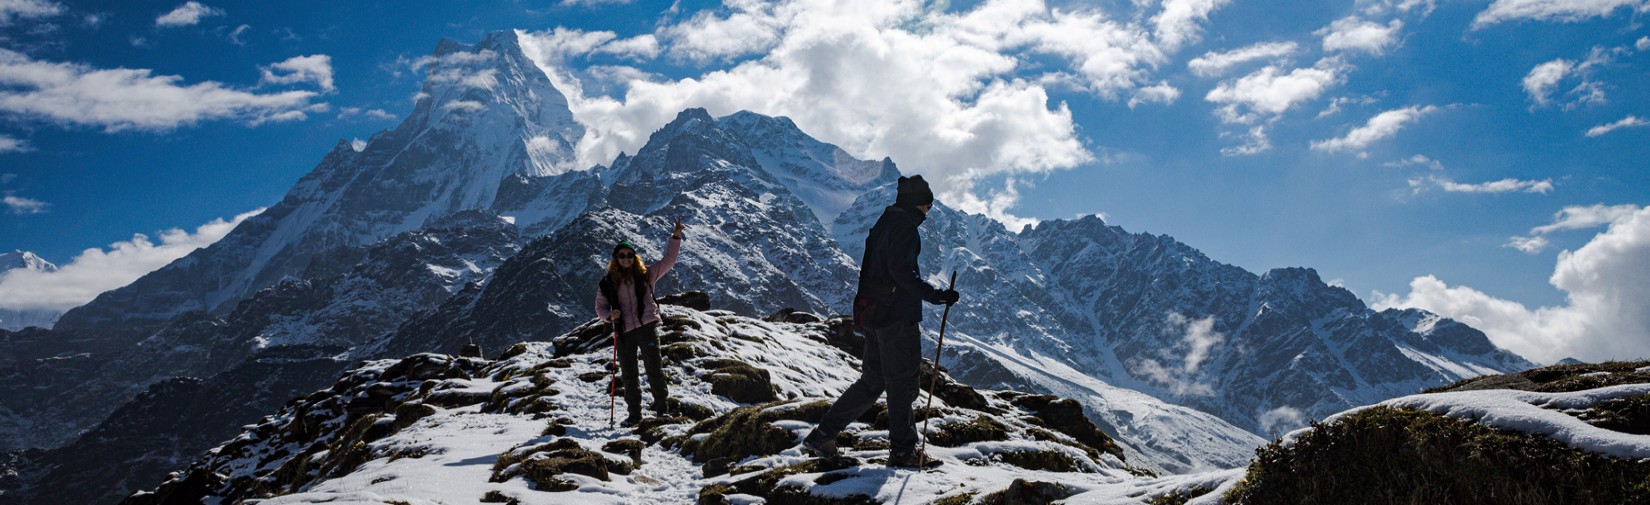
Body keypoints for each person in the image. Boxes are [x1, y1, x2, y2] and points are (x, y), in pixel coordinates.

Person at [803, 175, 959, 468]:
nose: (928, 212)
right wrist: (936, 295)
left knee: (872, 382)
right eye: (928, 206)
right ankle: (903, 452)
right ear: (920, 204)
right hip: (897, 318)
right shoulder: (905, 229)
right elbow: (903, 274)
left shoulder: (884, 223)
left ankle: (822, 435)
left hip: (872, 314)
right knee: (902, 386)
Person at [595, 219, 685, 427]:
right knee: (629, 375)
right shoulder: (607, 283)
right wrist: (609, 317)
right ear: (615, 259)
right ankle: (634, 414)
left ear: (634, 257)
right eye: (622, 256)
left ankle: (662, 410)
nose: (626, 259)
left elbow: (668, 261)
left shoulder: (646, 275)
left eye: (629, 255)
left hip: (646, 327)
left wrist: (676, 236)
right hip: (624, 332)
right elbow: (600, 307)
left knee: (654, 369)